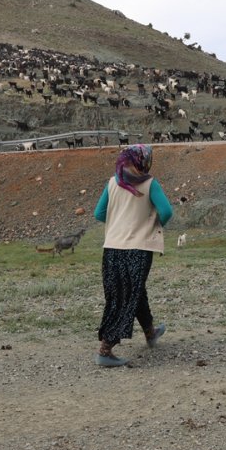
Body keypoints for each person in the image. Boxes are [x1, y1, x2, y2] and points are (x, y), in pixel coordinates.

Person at [92, 144, 174, 367]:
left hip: (111, 249)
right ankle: (105, 350)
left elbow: (99, 214)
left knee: (129, 291)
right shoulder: (149, 184)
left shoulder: (112, 182)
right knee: (127, 295)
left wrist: (119, 222)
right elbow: (166, 211)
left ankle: (150, 332)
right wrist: (149, 224)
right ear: (144, 161)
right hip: (138, 249)